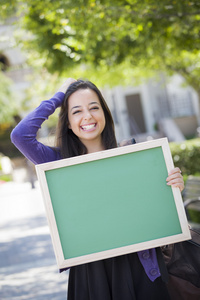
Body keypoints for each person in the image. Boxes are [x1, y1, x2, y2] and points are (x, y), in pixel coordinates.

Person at [11, 78, 184, 300]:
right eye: (77, 111)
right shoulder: (58, 161)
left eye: (94, 107)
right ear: (68, 123)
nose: (87, 116)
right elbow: (20, 135)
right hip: (92, 273)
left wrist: (171, 191)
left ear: (105, 114)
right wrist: (59, 96)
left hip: (141, 266)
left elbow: (151, 210)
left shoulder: (131, 155)